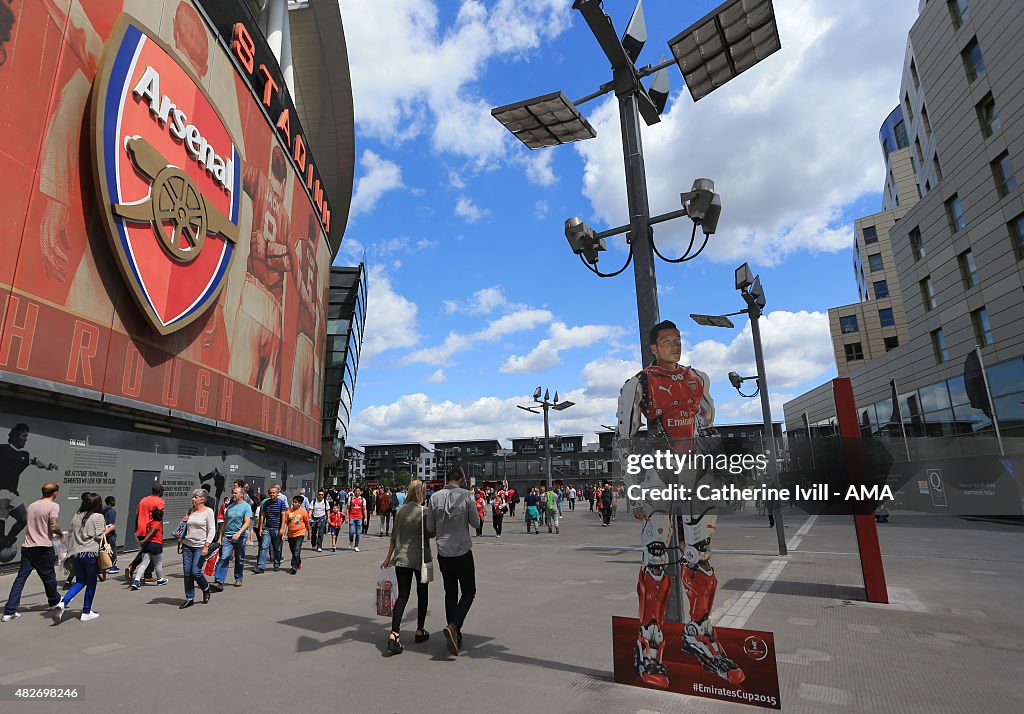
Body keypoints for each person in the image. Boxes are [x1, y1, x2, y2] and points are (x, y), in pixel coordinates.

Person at [615, 319, 744, 687]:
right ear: (653, 347)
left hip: (696, 474)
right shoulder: (636, 384)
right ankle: (650, 642)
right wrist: (633, 487)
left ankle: (699, 633)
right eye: (667, 341)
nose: (675, 345)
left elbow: (707, 421)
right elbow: (624, 439)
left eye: (678, 340)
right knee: (655, 559)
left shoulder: (698, 378)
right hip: (657, 475)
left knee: (700, 559)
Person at [425, 466, 480, 656]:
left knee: (450, 592)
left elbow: (430, 527)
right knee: (469, 590)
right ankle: (454, 626)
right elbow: (476, 523)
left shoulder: (434, 497)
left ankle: (455, 634)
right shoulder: (466, 495)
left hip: (443, 552)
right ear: (461, 479)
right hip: (462, 550)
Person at [380, 480, 433, 654]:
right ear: (421, 493)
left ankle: (394, 633)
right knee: (422, 592)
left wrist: (388, 557)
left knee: (402, 595)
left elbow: (394, 536)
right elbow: (431, 533)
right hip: (420, 559)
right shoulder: (424, 511)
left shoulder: (400, 510)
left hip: (401, 558)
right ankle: (420, 629)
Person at [2, 482, 63, 622]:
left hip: (28, 548)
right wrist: (60, 534)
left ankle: (9, 611)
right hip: (43, 548)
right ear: (55, 493)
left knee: (20, 579)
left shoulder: (32, 506)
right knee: (49, 577)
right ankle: (54, 602)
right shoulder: (54, 506)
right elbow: (53, 525)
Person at [0, 423, 59, 561]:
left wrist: (48, 466)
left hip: (13, 492)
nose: (26, 439)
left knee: (25, 518)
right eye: (23, 436)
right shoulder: (2, 449)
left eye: (27, 436)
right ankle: (1, 538)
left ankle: (7, 540)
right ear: (14, 436)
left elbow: (36, 461)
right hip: (1, 489)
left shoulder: (24, 455)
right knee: (2, 511)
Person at [53, 493, 114, 623]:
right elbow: (99, 536)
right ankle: (86, 611)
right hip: (90, 553)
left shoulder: (76, 516)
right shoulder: (98, 516)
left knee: (80, 581)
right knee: (91, 582)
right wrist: (107, 528)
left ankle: (63, 602)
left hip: (76, 554)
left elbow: (71, 533)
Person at [178, 489, 215, 608]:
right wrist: (184, 521)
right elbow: (185, 525)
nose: (193, 499)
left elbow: (212, 530)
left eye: (195, 497)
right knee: (187, 572)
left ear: (202, 499)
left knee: (196, 571)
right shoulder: (191, 510)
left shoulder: (208, 512)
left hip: (200, 546)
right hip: (187, 545)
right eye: (193, 497)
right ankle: (190, 597)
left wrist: (207, 545)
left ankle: (205, 588)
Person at [212, 485, 252, 591]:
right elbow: (225, 523)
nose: (233, 495)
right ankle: (219, 581)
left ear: (241, 495)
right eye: (233, 493)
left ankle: (238, 578)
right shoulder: (229, 507)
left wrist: (239, 533)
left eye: (236, 493)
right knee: (224, 557)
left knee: (239, 558)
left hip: (240, 537)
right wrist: (220, 537)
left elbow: (247, 522)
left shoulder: (246, 507)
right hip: (227, 536)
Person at [126, 484, 164, 583]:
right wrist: (160, 530)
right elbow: (159, 517)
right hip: (151, 529)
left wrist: (136, 528)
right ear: (160, 492)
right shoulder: (160, 501)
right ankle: (145, 574)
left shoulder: (143, 500)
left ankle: (136, 568)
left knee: (146, 551)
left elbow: (137, 515)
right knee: (152, 551)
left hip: (140, 528)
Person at [130, 507, 167, 590]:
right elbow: (152, 532)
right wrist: (144, 540)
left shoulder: (149, 523)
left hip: (147, 546)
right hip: (156, 545)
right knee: (158, 564)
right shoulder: (157, 523)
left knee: (144, 564)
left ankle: (136, 581)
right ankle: (160, 579)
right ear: (160, 517)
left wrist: (144, 541)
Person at [255, 484, 286, 573]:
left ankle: (276, 564)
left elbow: (283, 516)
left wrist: (282, 529)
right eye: (270, 493)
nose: (272, 494)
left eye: (273, 493)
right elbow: (262, 515)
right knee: (264, 547)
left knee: (277, 548)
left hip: (277, 528)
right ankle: (261, 566)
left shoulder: (281, 503)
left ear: (277, 493)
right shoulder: (266, 503)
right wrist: (260, 528)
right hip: (267, 528)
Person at [285, 496, 310, 574]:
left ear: (300, 504)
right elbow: (285, 523)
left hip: (300, 533)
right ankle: (298, 562)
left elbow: (307, 523)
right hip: (290, 534)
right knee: (293, 550)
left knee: (297, 549)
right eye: (293, 502)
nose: (293, 503)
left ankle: (294, 566)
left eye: (295, 502)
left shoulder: (303, 512)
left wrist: (309, 533)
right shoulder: (289, 511)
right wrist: (283, 533)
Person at [346, 487, 366, 552]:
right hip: (352, 517)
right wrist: (347, 516)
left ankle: (356, 546)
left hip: (359, 517)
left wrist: (365, 518)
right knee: (351, 532)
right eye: (356, 491)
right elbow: (347, 508)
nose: (357, 492)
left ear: (360, 492)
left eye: (358, 491)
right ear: (354, 492)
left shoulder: (362, 499)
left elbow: (364, 509)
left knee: (358, 533)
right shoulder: (351, 499)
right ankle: (351, 540)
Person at [102, 496, 118, 573]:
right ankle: (112, 566)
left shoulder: (102, 510)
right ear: (111, 501)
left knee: (105, 550)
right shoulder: (112, 511)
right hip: (110, 533)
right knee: (112, 550)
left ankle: (105, 565)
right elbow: (111, 524)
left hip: (103, 532)